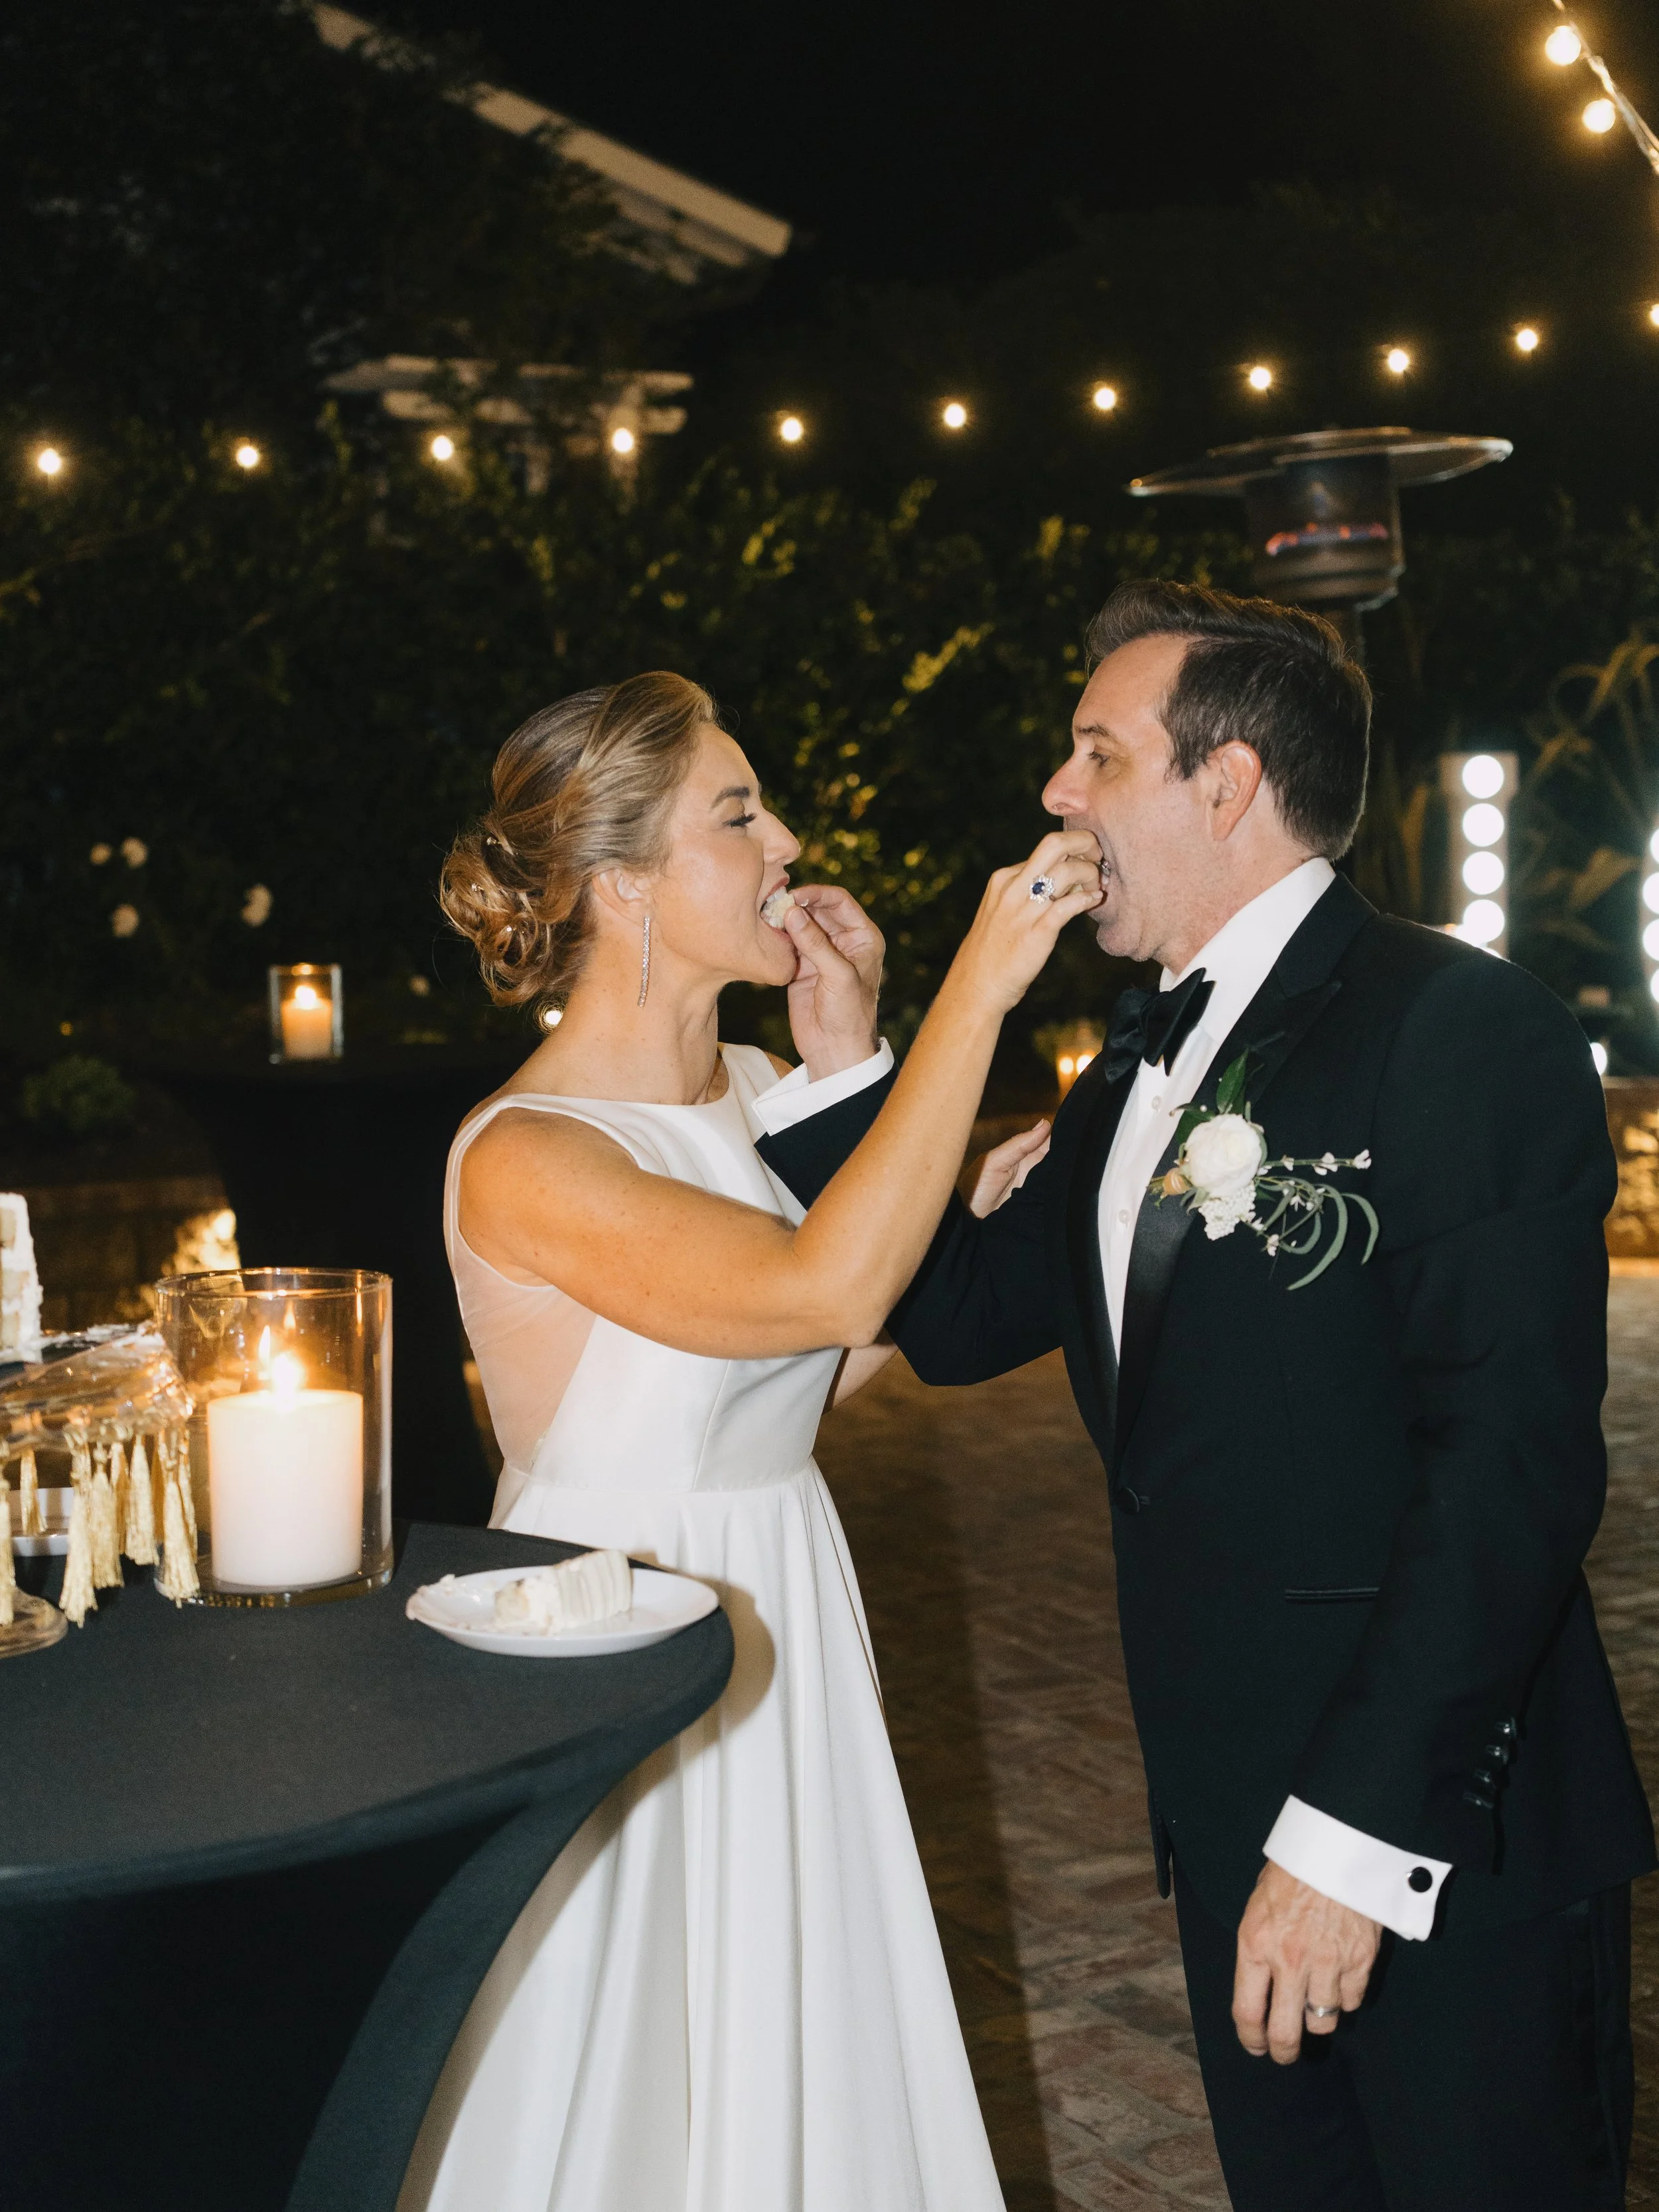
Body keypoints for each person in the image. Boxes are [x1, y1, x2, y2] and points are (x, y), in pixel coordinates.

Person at [756, 580, 1657, 2212]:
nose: (1055, 791)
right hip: (1225, 1816)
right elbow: (951, 1318)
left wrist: (1343, 1847)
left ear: (1224, 784)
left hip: (1437, 1834)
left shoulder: (1465, 1032)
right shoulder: (1122, 1072)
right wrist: (840, 1067)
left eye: (1095, 752)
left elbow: (1507, 1476)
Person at [397, 670, 1100, 2212]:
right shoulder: (527, 1153)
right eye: (736, 814)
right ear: (620, 885)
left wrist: (866, 1084)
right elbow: (822, 1282)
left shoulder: (761, 1089)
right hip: (619, 1625)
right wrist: (973, 995)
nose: (783, 841)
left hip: (780, 1582)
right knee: (627, 2050)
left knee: (789, 2011)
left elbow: (812, 1364)